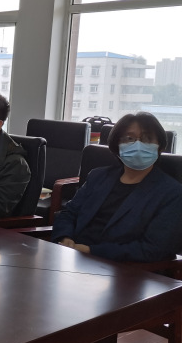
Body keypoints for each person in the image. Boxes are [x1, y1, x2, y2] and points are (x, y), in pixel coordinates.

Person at [52, 112, 182, 262]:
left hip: (122, 269)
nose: (138, 145)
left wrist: (90, 251)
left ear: (160, 147)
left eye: (147, 139)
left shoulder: (172, 193)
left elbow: (153, 249)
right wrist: (65, 238)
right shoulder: (98, 176)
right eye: (129, 138)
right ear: (117, 146)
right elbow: (69, 213)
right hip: (73, 258)